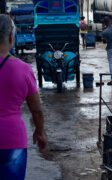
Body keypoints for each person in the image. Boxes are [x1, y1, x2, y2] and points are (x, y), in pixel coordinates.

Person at [0, 15, 47, 180]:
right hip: (12, 141)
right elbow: (37, 111)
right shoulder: (24, 70)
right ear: (12, 37)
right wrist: (40, 132)